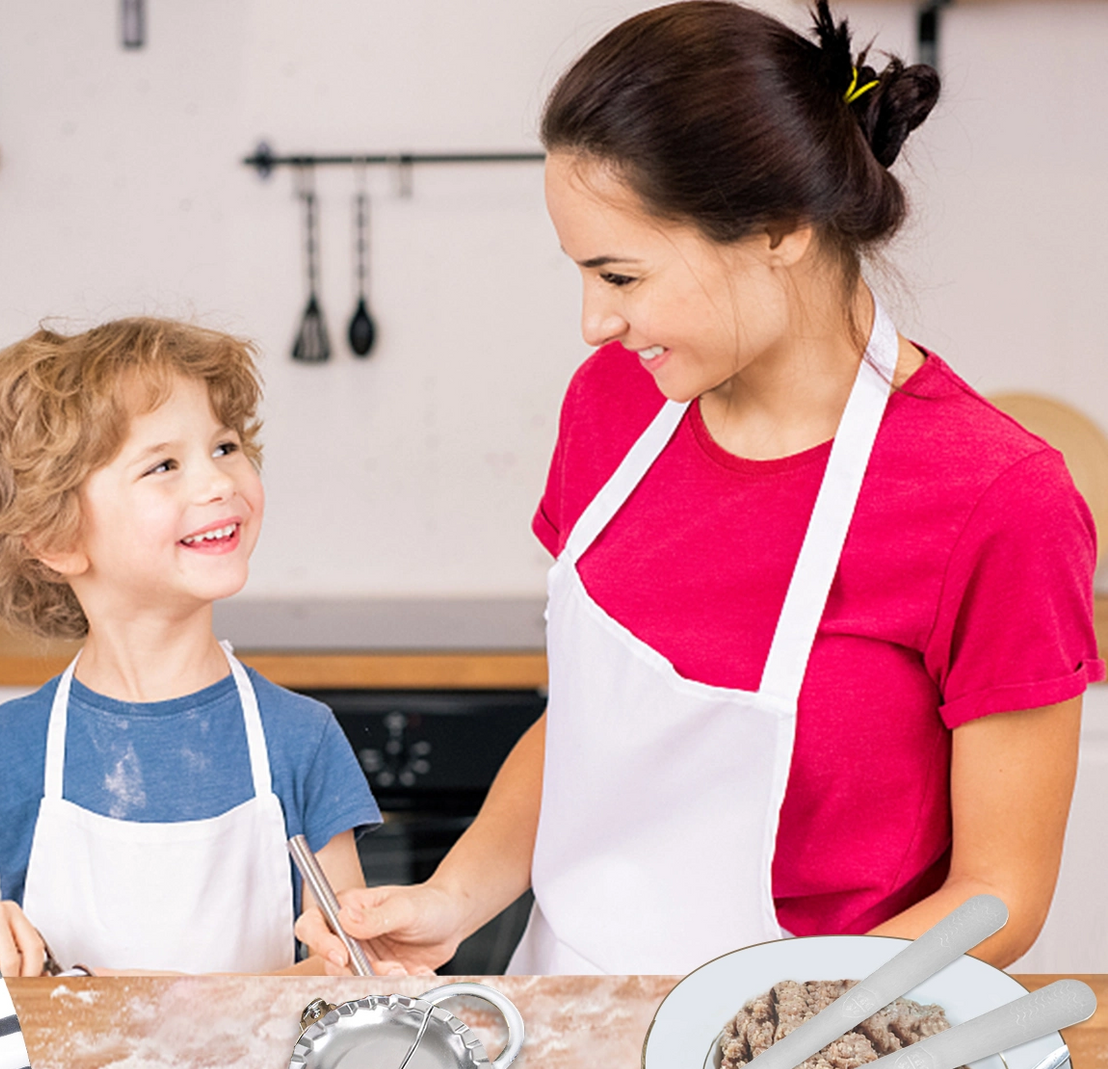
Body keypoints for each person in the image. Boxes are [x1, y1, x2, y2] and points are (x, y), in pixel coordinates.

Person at [302, 0, 1102, 977]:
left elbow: (997, 896)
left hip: (819, 1049)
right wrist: (451, 899)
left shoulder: (994, 497)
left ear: (777, 228)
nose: (593, 322)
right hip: (573, 1006)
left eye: (620, 275)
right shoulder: (610, 408)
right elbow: (593, 732)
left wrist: (764, 1024)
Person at [0, 317, 379, 977]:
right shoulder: (5, 749)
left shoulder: (299, 739)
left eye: (224, 446)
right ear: (55, 538)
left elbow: (352, 965)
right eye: (163, 465)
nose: (217, 484)